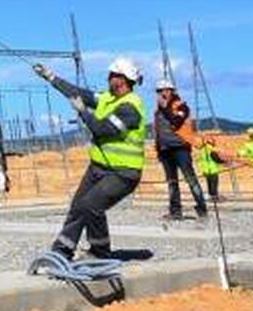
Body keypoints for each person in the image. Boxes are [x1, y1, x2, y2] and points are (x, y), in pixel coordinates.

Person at [32, 56, 146, 262]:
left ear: (122, 79)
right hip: (99, 167)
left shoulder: (131, 107)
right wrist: (50, 77)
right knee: (78, 206)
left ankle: (99, 252)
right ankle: (62, 250)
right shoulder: (107, 98)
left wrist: (83, 112)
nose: (108, 78)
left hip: (123, 173)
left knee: (93, 205)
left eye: (112, 75)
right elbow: (78, 93)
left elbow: (102, 129)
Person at [152, 79, 207, 219]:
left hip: (180, 148)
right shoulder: (157, 111)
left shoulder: (182, 106)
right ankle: (175, 211)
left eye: (163, 90)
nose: (161, 94)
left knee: (190, 179)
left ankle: (202, 209)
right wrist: (158, 149)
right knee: (172, 182)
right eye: (159, 91)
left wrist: (165, 108)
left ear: (171, 91)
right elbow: (158, 131)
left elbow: (176, 122)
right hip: (165, 150)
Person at [196, 137, 226, 206]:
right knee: (214, 184)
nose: (214, 143)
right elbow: (216, 159)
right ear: (211, 142)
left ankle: (211, 195)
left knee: (209, 183)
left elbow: (201, 160)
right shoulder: (211, 149)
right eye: (214, 141)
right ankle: (214, 197)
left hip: (206, 170)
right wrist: (224, 162)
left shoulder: (202, 149)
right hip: (212, 169)